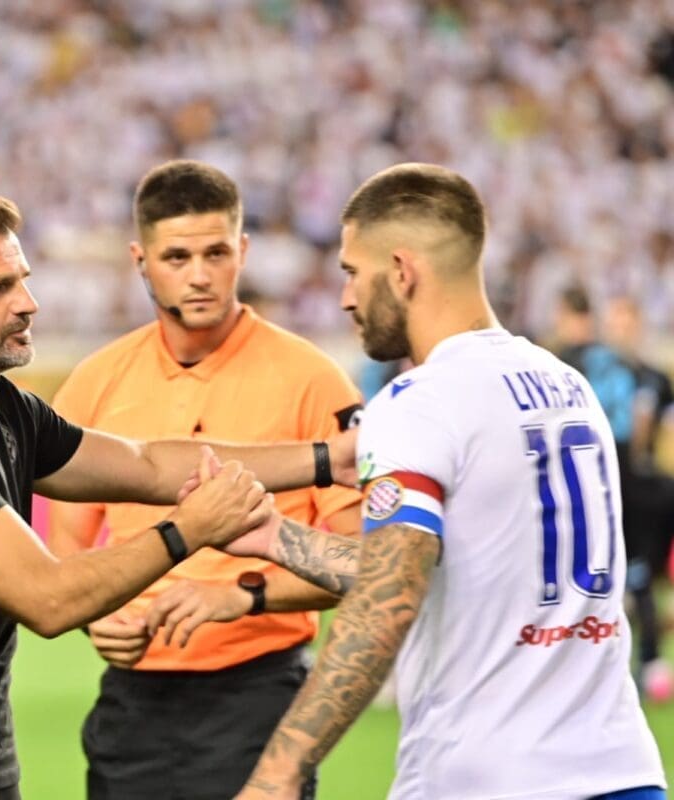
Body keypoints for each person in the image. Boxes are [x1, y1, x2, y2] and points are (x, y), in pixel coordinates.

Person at [0, 178, 357, 800]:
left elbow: (147, 464)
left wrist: (323, 459)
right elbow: (47, 599)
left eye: (22, 279)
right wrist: (189, 531)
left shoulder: (5, 408)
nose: (28, 303)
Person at [192, 163, 666, 799]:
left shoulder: (420, 401)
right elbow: (435, 568)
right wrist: (276, 537)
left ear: (402, 271)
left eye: (352, 272)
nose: (346, 298)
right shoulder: (567, 386)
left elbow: (386, 602)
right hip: (622, 772)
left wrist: (277, 773)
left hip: (489, 780)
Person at [46, 159, 362, 800]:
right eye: (176, 256)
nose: (198, 275)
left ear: (242, 251)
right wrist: (95, 615)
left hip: (258, 693)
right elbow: (67, 541)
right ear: (140, 260)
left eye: (215, 253)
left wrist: (243, 595)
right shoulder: (95, 381)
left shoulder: (312, 379)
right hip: (132, 703)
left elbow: (360, 560)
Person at [604, 294, 674, 702]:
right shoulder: (590, 375)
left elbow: (661, 434)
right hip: (606, 492)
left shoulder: (654, 378)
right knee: (613, 582)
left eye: (626, 322)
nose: (620, 330)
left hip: (641, 498)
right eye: (615, 322)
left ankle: (649, 662)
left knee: (642, 579)